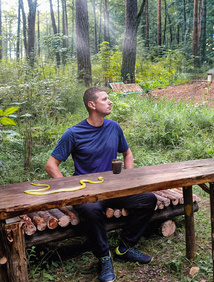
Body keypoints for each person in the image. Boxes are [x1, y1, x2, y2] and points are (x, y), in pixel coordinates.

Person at [45, 87, 157, 282]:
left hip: (114, 189)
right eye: (105, 99)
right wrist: (69, 189)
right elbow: (51, 165)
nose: (110, 102)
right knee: (91, 210)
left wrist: (127, 179)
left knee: (148, 199)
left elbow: (127, 153)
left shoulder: (114, 127)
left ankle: (125, 248)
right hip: (87, 193)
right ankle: (104, 257)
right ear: (92, 105)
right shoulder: (73, 133)